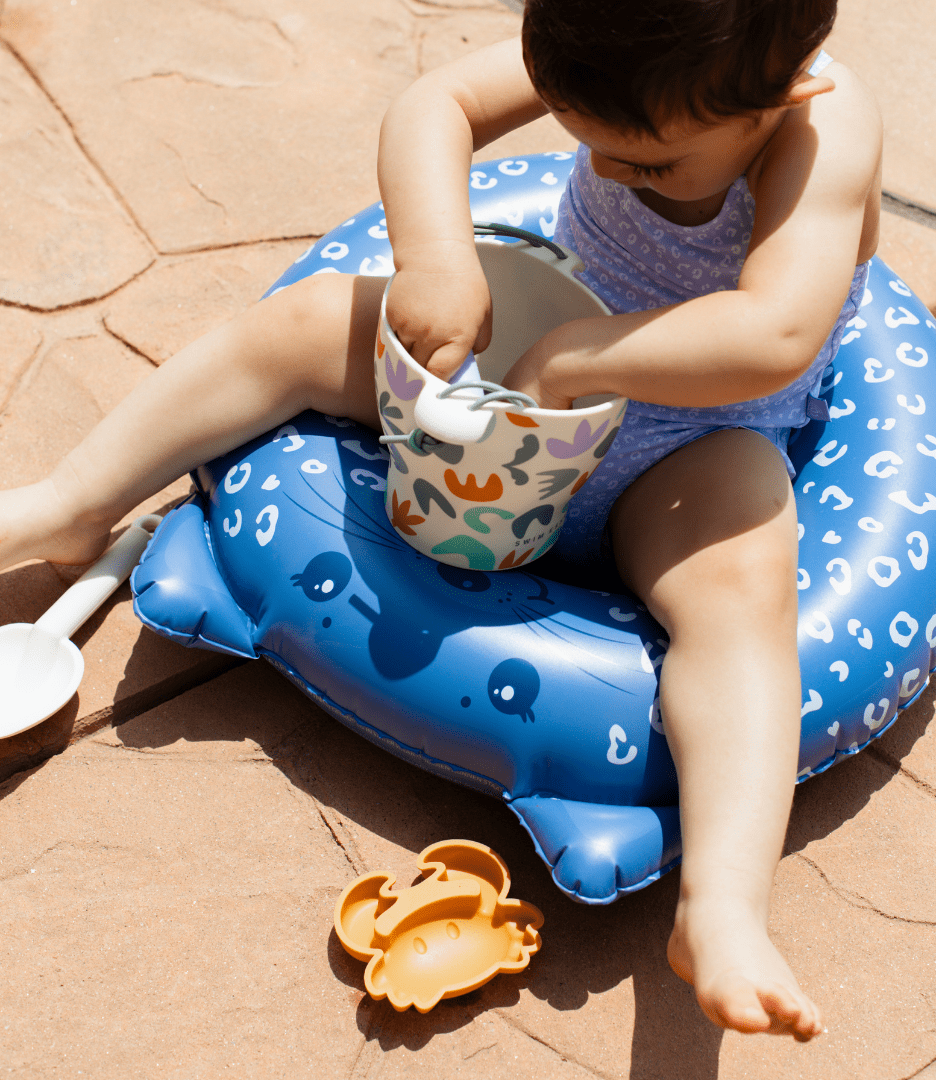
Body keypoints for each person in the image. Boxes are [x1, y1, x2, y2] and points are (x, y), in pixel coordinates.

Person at [0, 0, 881, 1039]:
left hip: (692, 432)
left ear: (785, 91)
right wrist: (435, 260)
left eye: (650, 164)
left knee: (742, 588)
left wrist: (575, 362)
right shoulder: (620, 40)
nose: (610, 171)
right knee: (304, 323)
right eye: (588, 143)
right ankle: (72, 504)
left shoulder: (824, 128)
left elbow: (775, 333)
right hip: (521, 354)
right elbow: (440, 102)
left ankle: (722, 905)